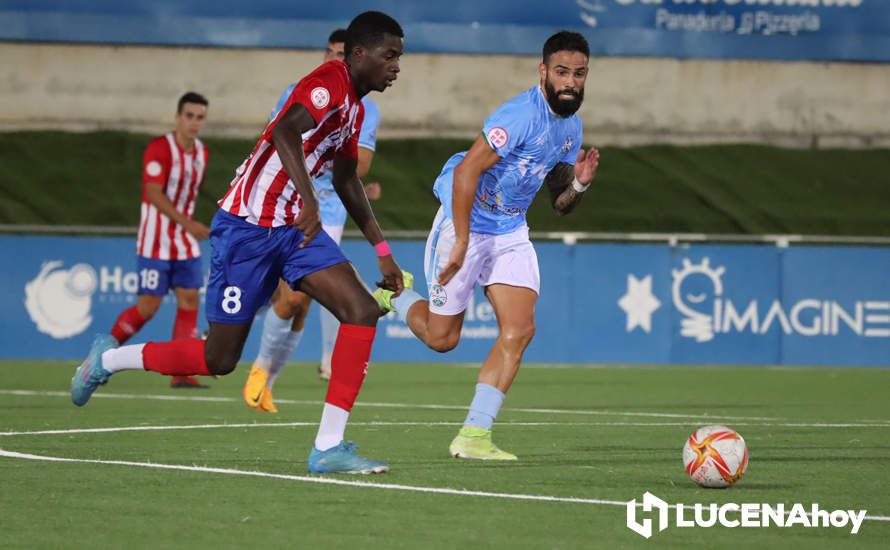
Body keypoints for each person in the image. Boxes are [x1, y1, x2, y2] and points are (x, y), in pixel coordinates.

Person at [71, 11, 406, 475]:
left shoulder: (357, 109)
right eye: (390, 56)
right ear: (360, 53)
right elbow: (285, 129)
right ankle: (107, 359)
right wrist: (310, 201)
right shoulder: (330, 81)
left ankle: (328, 447)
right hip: (247, 229)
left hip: (294, 231)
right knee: (219, 358)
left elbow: (348, 178)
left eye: (399, 58)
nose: (396, 67)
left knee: (361, 310)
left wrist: (382, 250)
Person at [374, 31, 599, 461]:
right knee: (442, 340)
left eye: (580, 73)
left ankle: (474, 434)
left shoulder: (571, 127)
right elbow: (466, 173)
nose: (571, 82)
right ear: (543, 71)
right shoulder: (518, 116)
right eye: (562, 72)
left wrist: (579, 185)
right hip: (466, 224)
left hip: (510, 230)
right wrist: (460, 241)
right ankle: (394, 294)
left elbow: (559, 203)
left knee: (520, 330)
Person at [243, 28, 384, 414]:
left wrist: (326, 163)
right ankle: (258, 368)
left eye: (344, 53)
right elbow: (276, 137)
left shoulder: (367, 107)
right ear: (327, 54)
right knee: (291, 298)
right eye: (332, 52)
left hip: (330, 211)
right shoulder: (301, 89)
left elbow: (361, 164)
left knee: (302, 302)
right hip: (285, 202)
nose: (338, 59)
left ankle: (265, 380)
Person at [107, 91, 211, 389]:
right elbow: (153, 193)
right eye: (189, 116)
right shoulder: (159, 148)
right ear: (178, 117)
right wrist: (188, 223)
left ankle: (183, 372)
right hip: (156, 240)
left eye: (200, 117)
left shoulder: (202, 153)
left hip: (185, 242)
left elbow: (188, 195)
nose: (194, 122)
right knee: (148, 307)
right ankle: (105, 351)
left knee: (190, 299)